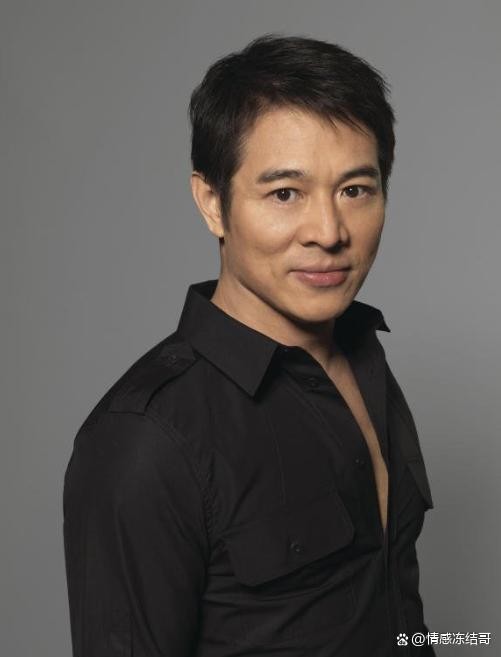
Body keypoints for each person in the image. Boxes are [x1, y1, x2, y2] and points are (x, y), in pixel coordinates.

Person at [63, 34, 436, 656]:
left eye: (355, 190)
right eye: (285, 193)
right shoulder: (144, 441)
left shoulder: (367, 363)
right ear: (213, 203)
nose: (328, 232)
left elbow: (399, 624)